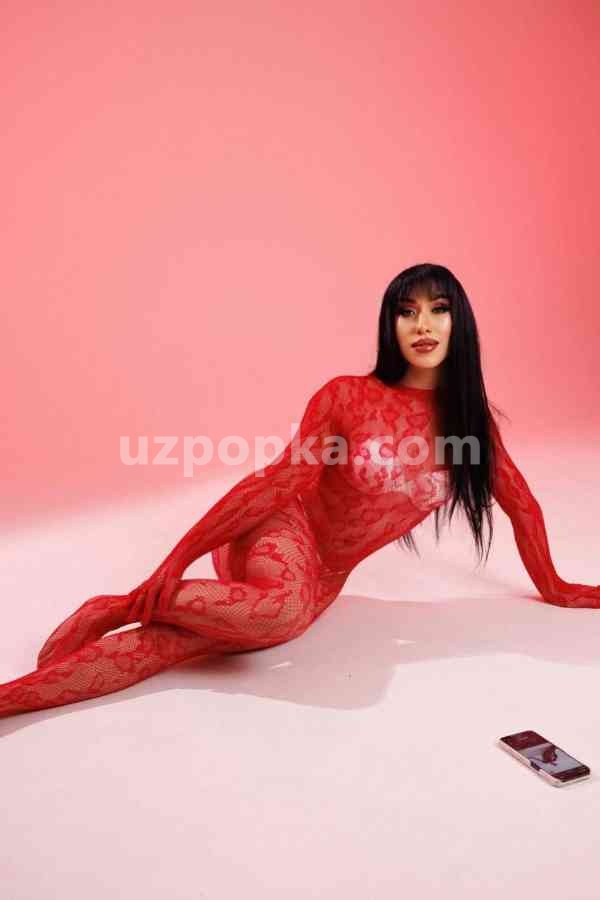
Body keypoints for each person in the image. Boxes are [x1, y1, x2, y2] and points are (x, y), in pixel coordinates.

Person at [1, 262, 598, 719]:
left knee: (187, 644)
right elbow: (274, 483)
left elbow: (521, 505)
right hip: (276, 529)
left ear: (458, 322)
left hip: (322, 578)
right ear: (389, 325)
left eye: (438, 310)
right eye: (406, 311)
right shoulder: (348, 396)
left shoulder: (471, 426)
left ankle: (11, 701)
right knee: (279, 613)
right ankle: (119, 605)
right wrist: (176, 559)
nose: (422, 324)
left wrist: (556, 587)